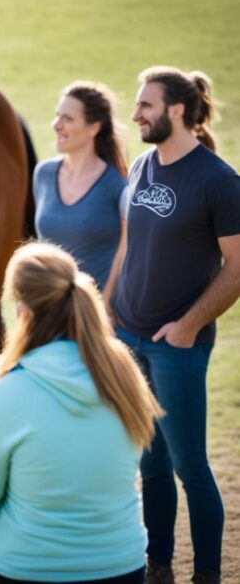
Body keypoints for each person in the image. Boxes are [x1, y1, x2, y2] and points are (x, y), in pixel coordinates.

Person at [0, 241, 162, 584]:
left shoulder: (3, 394)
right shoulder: (123, 373)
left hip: (26, 573)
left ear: (22, 311)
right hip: (125, 570)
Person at [108, 67, 240, 584]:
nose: (135, 114)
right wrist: (110, 303)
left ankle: (206, 574)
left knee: (190, 467)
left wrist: (187, 326)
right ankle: (157, 566)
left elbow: (238, 266)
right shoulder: (143, 163)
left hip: (176, 346)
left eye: (145, 105)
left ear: (177, 110)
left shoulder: (219, 181)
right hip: (130, 337)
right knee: (151, 464)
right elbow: (128, 241)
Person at [33, 81, 128, 291]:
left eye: (67, 118)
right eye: (58, 115)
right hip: (47, 306)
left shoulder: (117, 184)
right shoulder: (43, 174)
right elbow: (41, 245)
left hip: (94, 311)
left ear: (94, 127)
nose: (56, 124)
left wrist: (108, 305)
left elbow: (126, 252)